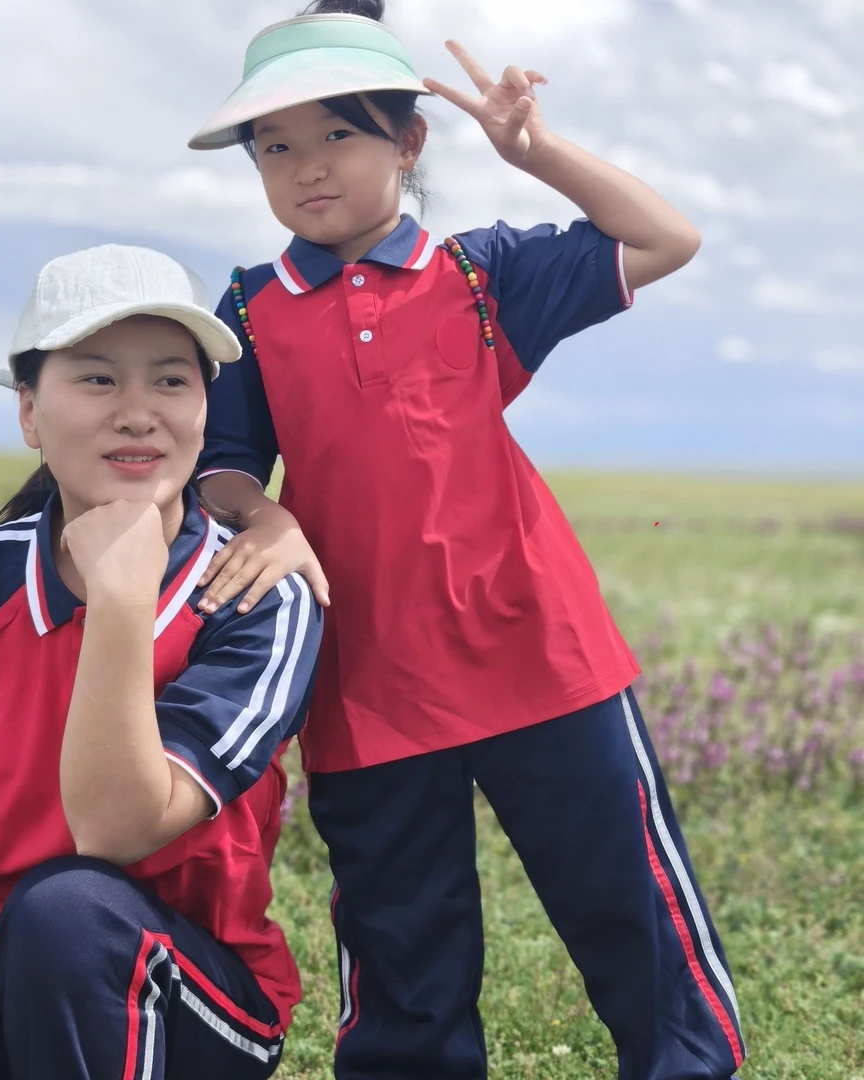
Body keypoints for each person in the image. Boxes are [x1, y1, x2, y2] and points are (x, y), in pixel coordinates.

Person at [186, 2, 744, 1079]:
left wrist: (533, 152)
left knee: (632, 918)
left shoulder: (482, 276)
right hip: (364, 683)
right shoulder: (250, 310)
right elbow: (222, 471)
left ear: (409, 139)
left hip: (543, 656)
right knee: (404, 962)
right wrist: (268, 512)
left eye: (338, 135)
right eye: (275, 148)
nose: (306, 168)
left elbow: (664, 238)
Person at [0, 244, 323, 1080]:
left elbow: (115, 828)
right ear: (28, 412)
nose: (137, 412)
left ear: (205, 405)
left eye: (170, 380)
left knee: (64, 915)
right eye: (96, 379)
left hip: (194, 991)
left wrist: (122, 599)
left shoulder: (257, 596)